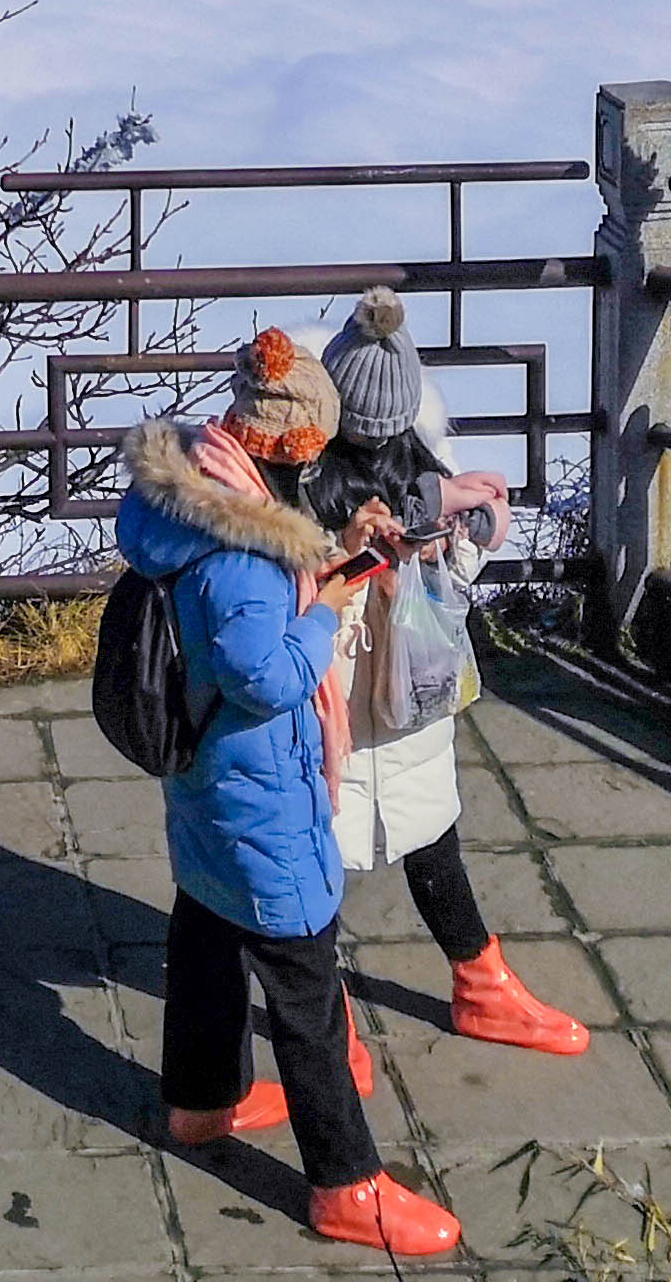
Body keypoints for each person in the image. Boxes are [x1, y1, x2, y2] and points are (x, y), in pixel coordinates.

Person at [115, 331, 467, 1260]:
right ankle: (347, 1183)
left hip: (210, 781)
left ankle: (201, 1104)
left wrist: (342, 564)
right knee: (308, 987)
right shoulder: (240, 554)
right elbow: (263, 672)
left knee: (203, 930)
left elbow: (260, 613)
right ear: (295, 449)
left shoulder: (201, 499)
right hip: (260, 785)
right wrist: (322, 615)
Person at [309, 291, 590, 1055]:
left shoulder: (423, 467)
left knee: (432, 838)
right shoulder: (301, 484)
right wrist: (377, 549)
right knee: (316, 867)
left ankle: (482, 983)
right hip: (326, 706)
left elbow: (468, 560)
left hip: (410, 705)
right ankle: (323, 1023)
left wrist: (461, 532)